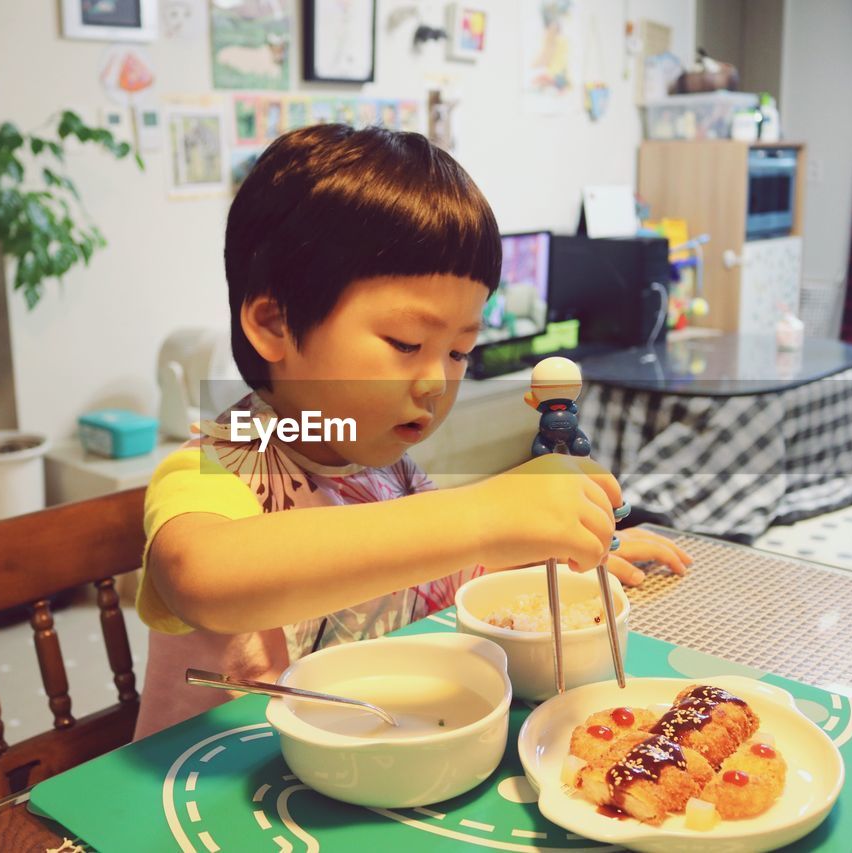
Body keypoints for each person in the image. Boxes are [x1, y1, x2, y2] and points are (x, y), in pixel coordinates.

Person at [134, 124, 692, 738]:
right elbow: (204, 578)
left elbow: (444, 571)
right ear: (275, 324)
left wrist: (546, 558)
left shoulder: (385, 466)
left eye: (458, 352)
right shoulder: (220, 465)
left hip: (368, 762)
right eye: (406, 343)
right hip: (212, 794)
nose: (436, 382)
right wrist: (480, 515)